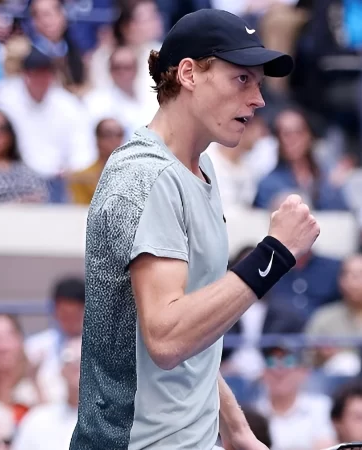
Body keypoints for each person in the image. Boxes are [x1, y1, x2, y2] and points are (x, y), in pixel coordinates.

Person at [70, 8, 320, 450]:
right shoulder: (146, 177)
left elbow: (198, 334)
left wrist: (238, 431)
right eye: (242, 78)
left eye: (259, 82)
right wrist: (275, 253)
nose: (259, 99)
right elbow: (168, 338)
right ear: (188, 74)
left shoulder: (199, 165)